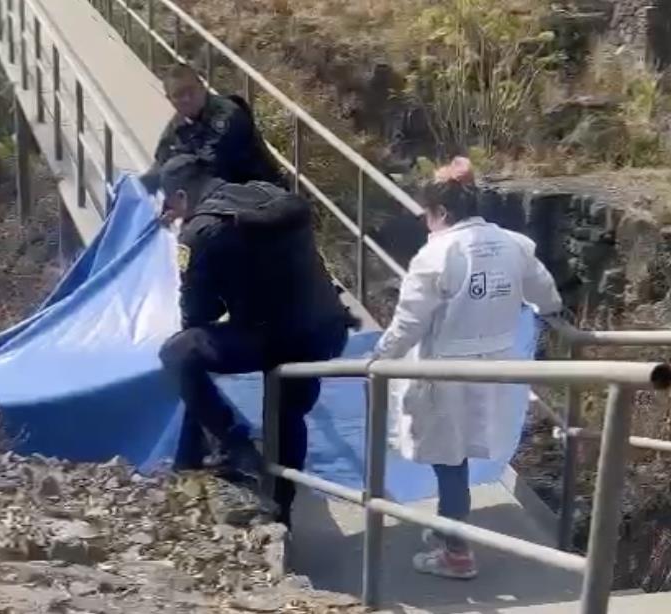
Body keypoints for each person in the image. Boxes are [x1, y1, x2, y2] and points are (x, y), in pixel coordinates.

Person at [373, 157, 562, 580]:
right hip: (497, 368)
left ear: (440, 212)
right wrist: (554, 312)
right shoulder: (514, 244)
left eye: (427, 215)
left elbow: (408, 322)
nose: (426, 223)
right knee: (457, 455)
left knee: (449, 459)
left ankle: (456, 551)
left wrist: (379, 358)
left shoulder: (436, 254)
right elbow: (544, 292)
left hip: (446, 371)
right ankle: (447, 528)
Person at [157, 154, 353, 526]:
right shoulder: (266, 193)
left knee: (178, 352)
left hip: (274, 335)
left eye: (172, 205)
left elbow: (198, 315)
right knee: (287, 414)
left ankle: (234, 444)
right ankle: (281, 510)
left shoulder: (199, 231)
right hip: (325, 330)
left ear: (181, 196)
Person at [141, 64, 284, 194]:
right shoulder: (179, 124)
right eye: (178, 95)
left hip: (262, 196)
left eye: (190, 91)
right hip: (227, 198)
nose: (186, 99)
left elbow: (209, 163)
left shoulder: (227, 114)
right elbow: (161, 162)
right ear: (170, 99)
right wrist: (141, 187)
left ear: (202, 87)